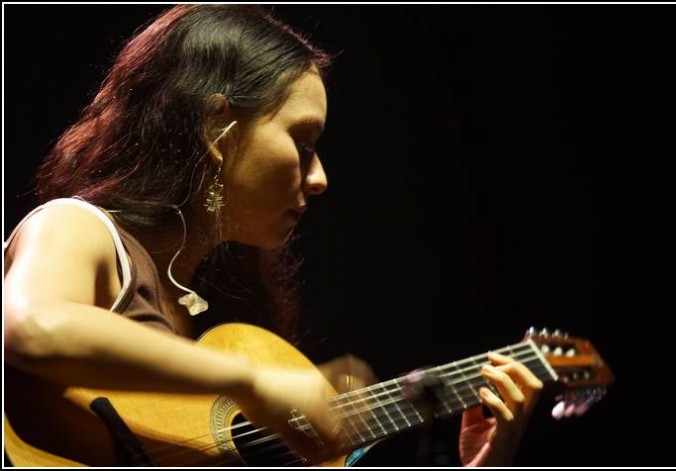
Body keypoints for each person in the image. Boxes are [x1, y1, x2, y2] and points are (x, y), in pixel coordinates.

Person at [3, 4, 543, 467]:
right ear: (219, 131)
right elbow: (31, 327)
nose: (320, 177)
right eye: (303, 143)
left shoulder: (214, 318)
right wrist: (252, 382)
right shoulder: (81, 228)